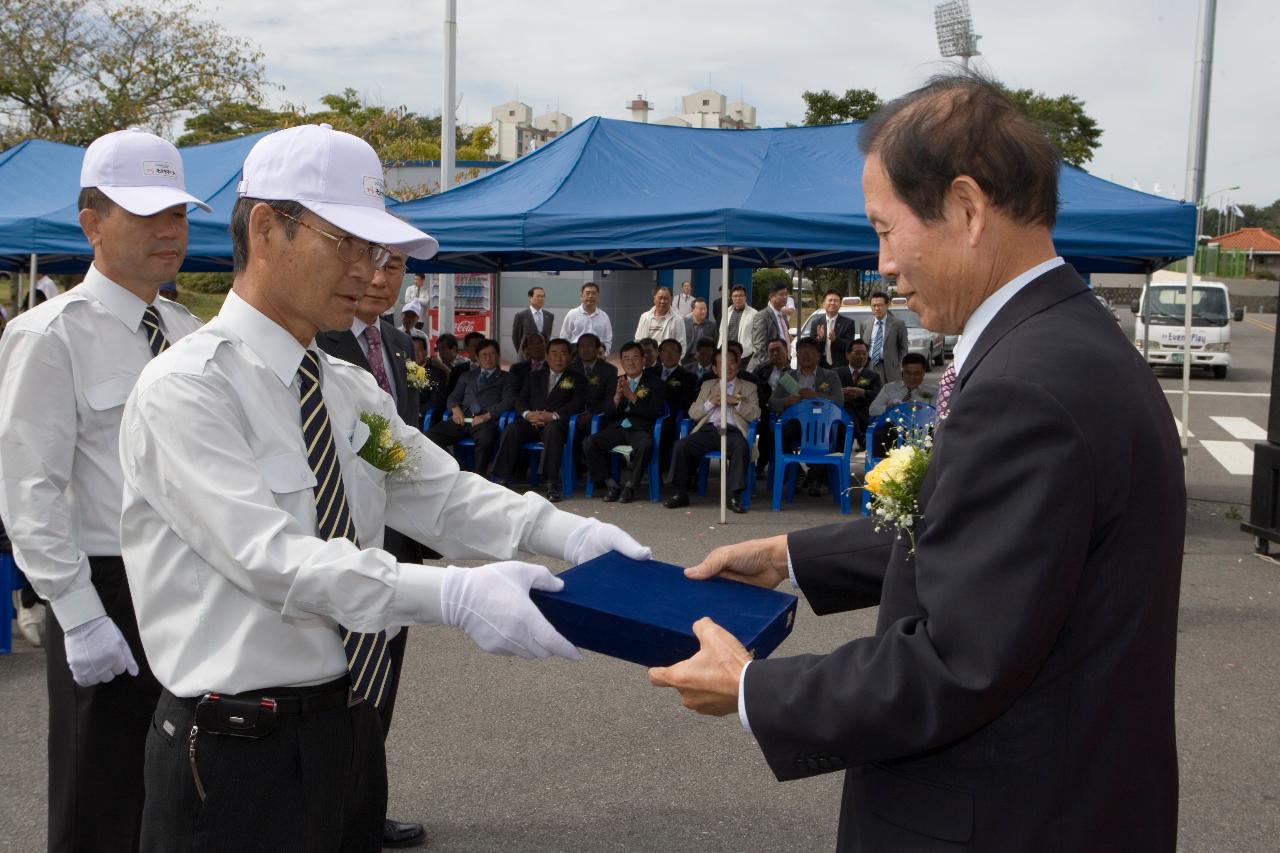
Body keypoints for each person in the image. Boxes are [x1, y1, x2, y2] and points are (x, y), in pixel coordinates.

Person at [648, 74, 1185, 852]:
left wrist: (754, 689)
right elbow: (984, 532)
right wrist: (791, 555)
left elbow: (960, 662)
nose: (881, 266)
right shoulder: (1066, 342)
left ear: (966, 209)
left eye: (885, 229)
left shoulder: (1027, 387)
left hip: (1002, 815)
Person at [118, 124, 651, 851]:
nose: (372, 271)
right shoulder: (188, 388)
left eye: (380, 251)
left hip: (349, 723)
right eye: (349, 243)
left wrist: (567, 533)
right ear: (269, 227)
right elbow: (272, 559)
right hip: (234, 749)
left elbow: (438, 492)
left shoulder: (346, 389)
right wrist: (454, 595)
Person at [0, 127, 210, 853]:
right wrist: (78, 612)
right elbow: (29, 486)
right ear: (91, 222)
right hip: (108, 587)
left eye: (178, 214)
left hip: (191, 585)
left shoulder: (187, 330)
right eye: (147, 213)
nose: (170, 230)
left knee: (178, 793)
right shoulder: (48, 334)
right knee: (101, 798)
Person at [314, 248, 429, 848]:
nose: (383, 281)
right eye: (374, 264)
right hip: (340, 542)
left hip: (399, 542)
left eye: (396, 269)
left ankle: (365, 805)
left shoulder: (402, 343)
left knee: (383, 680)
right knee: (339, 685)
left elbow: (399, 453)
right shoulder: (321, 338)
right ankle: (335, 809)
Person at [663, 347, 759, 515]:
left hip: (732, 430)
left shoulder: (749, 387)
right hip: (708, 429)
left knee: (741, 448)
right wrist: (709, 403)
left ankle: (733, 496)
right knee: (681, 446)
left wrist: (735, 402)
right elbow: (693, 413)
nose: (727, 367)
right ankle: (680, 493)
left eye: (731, 362)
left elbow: (755, 414)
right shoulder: (707, 385)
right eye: (722, 363)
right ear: (714, 369)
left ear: (737, 366)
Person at [492, 337, 585, 501]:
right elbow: (520, 399)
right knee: (512, 428)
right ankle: (502, 478)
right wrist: (528, 414)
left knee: (553, 430)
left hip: (557, 423)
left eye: (563, 354)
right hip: (532, 421)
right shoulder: (533, 376)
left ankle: (551, 482)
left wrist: (553, 416)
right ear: (547, 356)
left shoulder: (577, 378)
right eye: (554, 354)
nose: (558, 358)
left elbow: (577, 404)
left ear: (570, 357)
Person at [583, 342, 666, 503]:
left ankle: (631, 486)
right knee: (589, 442)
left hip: (640, 429)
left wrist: (632, 397)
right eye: (626, 359)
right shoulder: (615, 382)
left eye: (635, 357)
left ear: (643, 360)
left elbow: (653, 413)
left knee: (646, 445)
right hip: (618, 427)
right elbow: (606, 413)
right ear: (621, 363)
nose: (631, 362)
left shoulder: (656, 383)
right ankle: (611, 484)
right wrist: (615, 400)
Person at [768, 337, 843, 495]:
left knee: (823, 434)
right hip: (796, 422)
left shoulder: (830, 376)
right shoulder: (788, 377)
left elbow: (839, 401)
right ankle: (795, 474)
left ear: (818, 355)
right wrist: (787, 401)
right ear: (797, 354)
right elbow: (772, 402)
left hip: (824, 423)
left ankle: (815, 479)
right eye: (803, 351)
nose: (806, 355)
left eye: (811, 351)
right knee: (780, 433)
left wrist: (817, 396)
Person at [427, 338, 506, 475]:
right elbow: (453, 397)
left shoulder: (507, 378)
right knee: (429, 436)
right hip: (462, 419)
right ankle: (456, 469)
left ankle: (479, 477)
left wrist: (487, 416)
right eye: (484, 355)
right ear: (477, 357)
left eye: (492, 354)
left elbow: (508, 401)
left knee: (486, 440)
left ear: (498, 356)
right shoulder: (467, 376)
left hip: (485, 421)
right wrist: (455, 409)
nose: (488, 358)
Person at [835, 338, 882, 449]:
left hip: (864, 416)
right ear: (847, 355)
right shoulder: (836, 373)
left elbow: (878, 396)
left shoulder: (873, 376)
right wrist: (840, 393)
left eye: (864, 353)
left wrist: (862, 392)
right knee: (846, 407)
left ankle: (861, 437)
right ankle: (861, 438)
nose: (861, 357)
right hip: (840, 417)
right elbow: (826, 391)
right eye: (857, 353)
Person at [867, 352, 938, 416]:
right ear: (902, 371)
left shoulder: (934, 391)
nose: (911, 377)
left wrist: (920, 408)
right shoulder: (888, 388)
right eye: (907, 373)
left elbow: (938, 413)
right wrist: (890, 408)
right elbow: (872, 410)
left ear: (923, 372)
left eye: (916, 373)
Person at [860, 290, 909, 383]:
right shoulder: (865, 324)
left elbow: (903, 348)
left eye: (880, 305)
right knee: (871, 395)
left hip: (890, 368)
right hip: (870, 366)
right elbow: (863, 347)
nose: (877, 308)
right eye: (874, 305)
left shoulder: (898, 324)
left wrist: (899, 364)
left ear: (887, 305)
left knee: (891, 395)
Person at [802, 289, 858, 367]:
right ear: (824, 304)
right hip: (820, 364)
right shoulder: (816, 323)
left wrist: (836, 340)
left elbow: (849, 346)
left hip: (840, 365)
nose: (832, 303)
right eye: (830, 300)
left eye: (836, 301)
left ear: (840, 304)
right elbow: (811, 346)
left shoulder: (848, 323)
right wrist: (819, 338)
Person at [560, 281, 613, 355]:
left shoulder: (604, 316)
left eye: (594, 293)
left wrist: (605, 354)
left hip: (597, 355)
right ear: (581, 296)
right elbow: (564, 337)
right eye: (587, 293)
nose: (590, 296)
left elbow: (608, 339)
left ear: (598, 297)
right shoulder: (572, 314)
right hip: (576, 354)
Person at [751, 279, 791, 374]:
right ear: (772, 297)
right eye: (781, 294)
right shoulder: (762, 316)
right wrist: (770, 368)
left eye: (786, 294)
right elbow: (759, 346)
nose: (785, 297)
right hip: (768, 369)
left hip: (784, 365)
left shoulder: (783, 316)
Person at [634, 286, 686, 351]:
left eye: (666, 298)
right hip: (647, 358)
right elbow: (637, 340)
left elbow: (681, 346)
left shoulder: (678, 320)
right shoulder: (644, 317)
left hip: (668, 360)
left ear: (671, 300)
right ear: (654, 299)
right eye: (660, 298)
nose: (663, 301)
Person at [720, 285, 758, 367]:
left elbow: (757, 337)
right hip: (727, 355)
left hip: (745, 356)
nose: (738, 298)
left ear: (745, 297)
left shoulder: (754, 313)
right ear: (731, 298)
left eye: (741, 295)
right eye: (735, 296)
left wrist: (754, 353)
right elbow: (722, 332)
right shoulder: (726, 312)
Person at [512, 285, 553, 356]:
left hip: (543, 356)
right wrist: (522, 352)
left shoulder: (549, 316)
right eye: (538, 296)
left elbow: (548, 336)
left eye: (543, 296)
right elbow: (516, 337)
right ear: (530, 298)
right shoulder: (521, 316)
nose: (541, 299)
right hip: (526, 356)